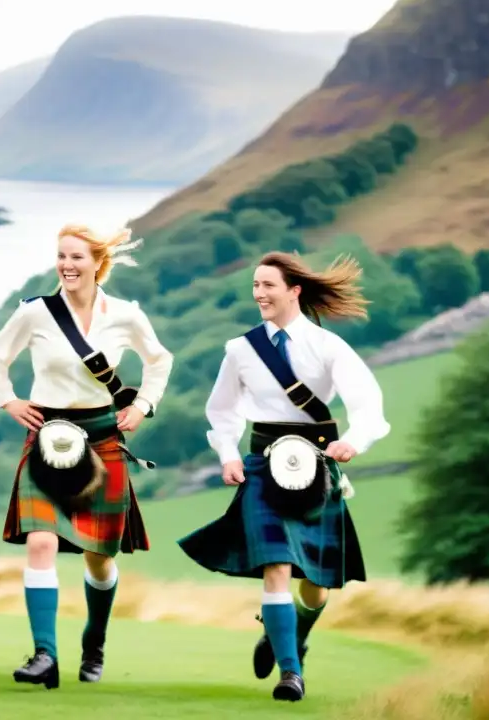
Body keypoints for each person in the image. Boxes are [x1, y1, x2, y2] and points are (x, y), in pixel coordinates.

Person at [177, 251, 391, 702]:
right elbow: (221, 409)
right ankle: (291, 673)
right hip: (262, 465)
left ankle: (286, 637)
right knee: (276, 566)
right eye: (255, 286)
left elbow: (368, 404)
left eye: (268, 285)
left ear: (294, 290)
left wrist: (354, 440)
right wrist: (228, 454)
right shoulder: (240, 349)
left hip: (316, 466)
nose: (259, 294)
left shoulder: (328, 347)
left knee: (316, 583)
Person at [0, 224, 173, 690]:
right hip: (46, 435)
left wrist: (142, 406)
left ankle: (95, 641)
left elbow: (159, 360)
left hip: (102, 438)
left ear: (97, 264)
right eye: (61, 257)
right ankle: (45, 654)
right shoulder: (35, 313)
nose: (66, 265)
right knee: (41, 542)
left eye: (76, 258)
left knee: (99, 558)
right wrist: (8, 400)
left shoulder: (125, 315)